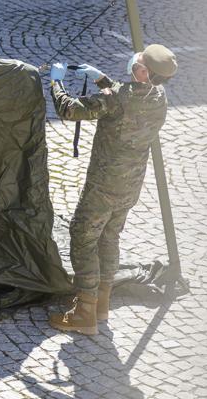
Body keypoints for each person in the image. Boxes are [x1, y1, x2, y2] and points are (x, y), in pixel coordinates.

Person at [46, 44, 177, 335]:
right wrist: (102, 80)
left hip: (104, 185)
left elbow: (69, 109)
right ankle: (101, 304)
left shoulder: (118, 97)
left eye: (139, 61)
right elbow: (127, 97)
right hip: (130, 185)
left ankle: (84, 312)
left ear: (144, 71)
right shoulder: (158, 97)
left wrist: (56, 82)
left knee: (83, 236)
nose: (135, 60)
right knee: (109, 238)